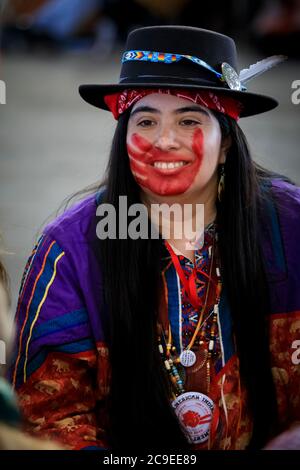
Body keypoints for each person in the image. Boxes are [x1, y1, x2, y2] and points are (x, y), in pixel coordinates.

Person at [8, 25, 300, 451]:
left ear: (227, 143)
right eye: (145, 120)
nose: (164, 140)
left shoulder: (291, 226)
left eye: (188, 119)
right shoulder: (70, 250)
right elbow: (47, 417)